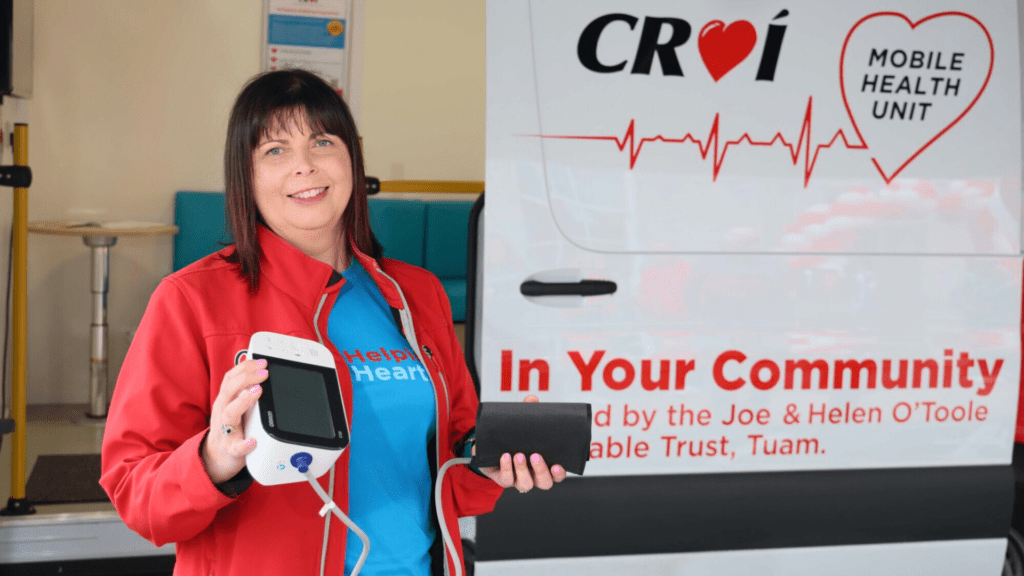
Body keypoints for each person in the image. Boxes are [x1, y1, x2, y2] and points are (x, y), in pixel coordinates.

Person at [100, 68, 566, 576]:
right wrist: (213, 459)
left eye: (322, 142)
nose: (304, 166)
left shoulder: (417, 295)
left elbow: (448, 465)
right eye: (275, 150)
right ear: (245, 176)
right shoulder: (192, 300)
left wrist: (488, 463)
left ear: (352, 159)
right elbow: (135, 493)